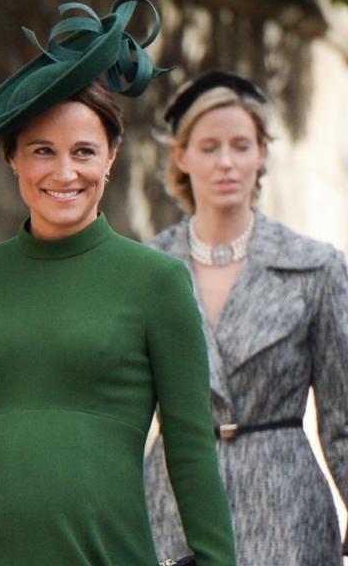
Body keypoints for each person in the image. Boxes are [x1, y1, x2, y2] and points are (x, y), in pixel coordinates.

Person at [0, 0, 236, 565]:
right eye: (43, 151)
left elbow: (189, 444)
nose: (64, 173)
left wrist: (216, 559)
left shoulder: (156, 282)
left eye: (83, 152)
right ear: (13, 159)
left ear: (112, 159)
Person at [144, 70, 348, 565]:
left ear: (262, 153)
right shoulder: (144, 272)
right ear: (181, 156)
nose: (227, 163)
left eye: (241, 145)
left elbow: (345, 423)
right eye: (210, 147)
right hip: (172, 509)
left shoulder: (316, 267)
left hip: (287, 512)